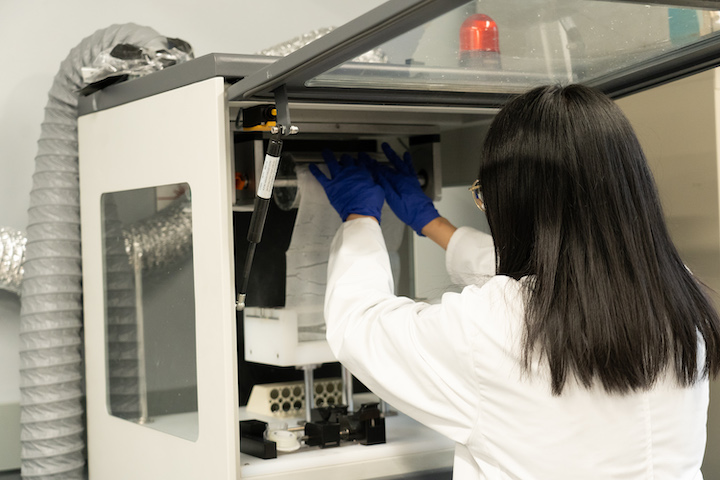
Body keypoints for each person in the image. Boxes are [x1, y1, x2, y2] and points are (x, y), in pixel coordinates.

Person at [308, 84, 720, 479]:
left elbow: (359, 324)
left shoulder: (494, 327)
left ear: (519, 207)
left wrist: (360, 218)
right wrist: (433, 224)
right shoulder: (676, 296)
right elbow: (559, 273)